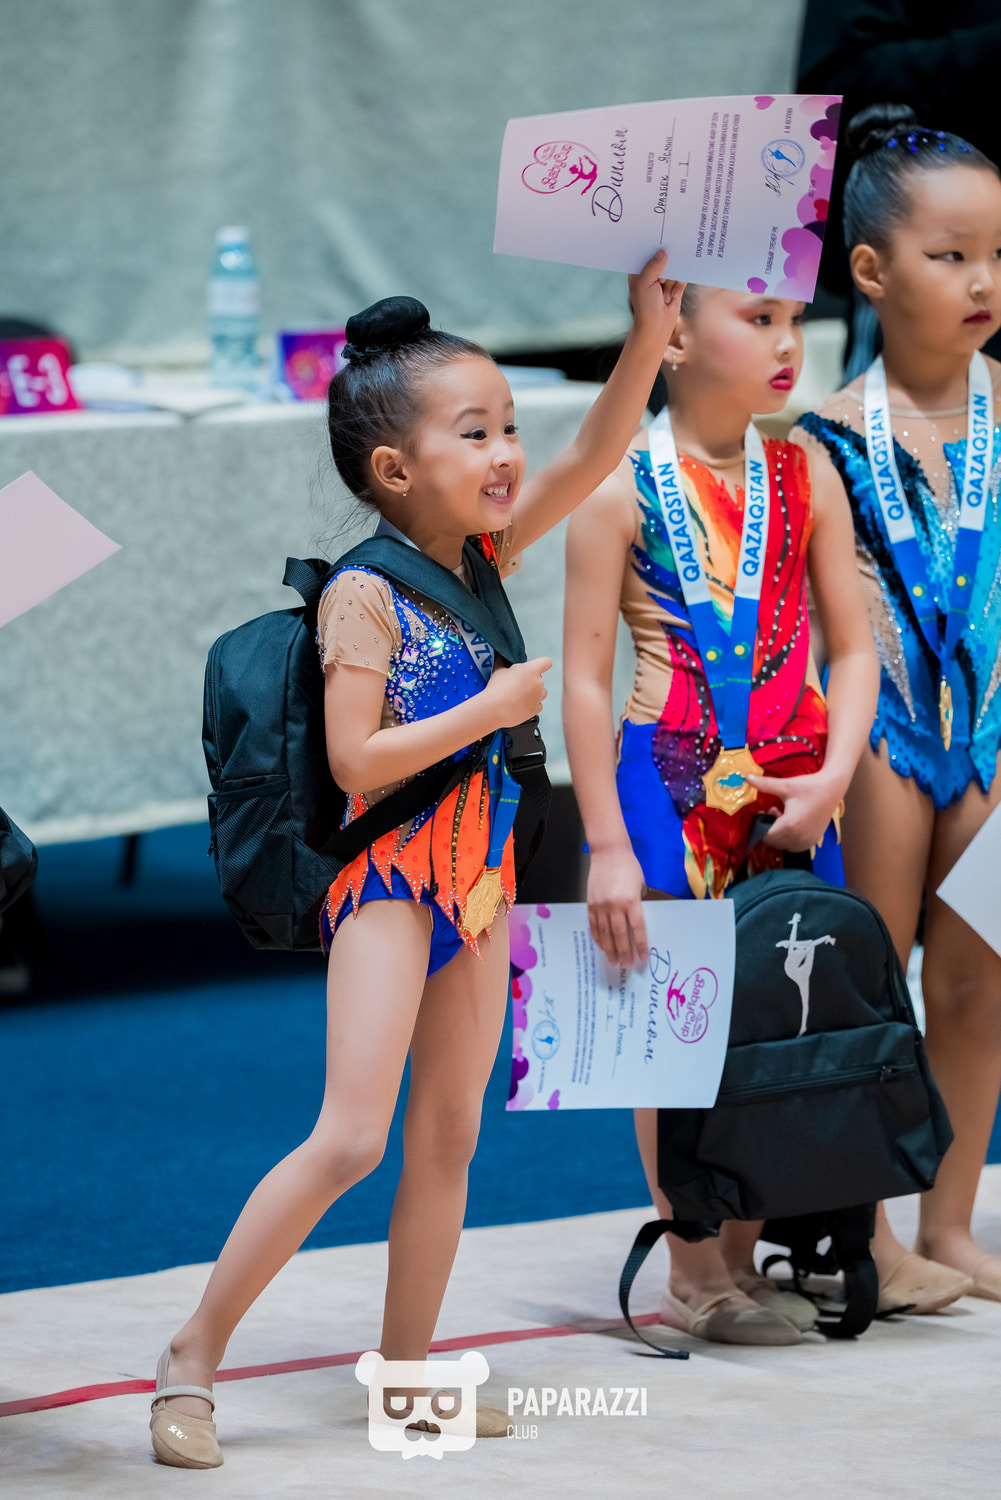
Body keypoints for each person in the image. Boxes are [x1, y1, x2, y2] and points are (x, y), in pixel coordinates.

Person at [148, 253, 684, 1468]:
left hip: (478, 883)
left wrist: (646, 337)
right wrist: (488, 711)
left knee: (448, 1134)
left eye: (506, 427)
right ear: (395, 470)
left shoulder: (481, 558)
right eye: (473, 433)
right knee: (351, 1136)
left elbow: (594, 452)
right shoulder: (364, 594)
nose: (506, 454)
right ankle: (190, 1353)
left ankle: (404, 1375)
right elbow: (354, 759)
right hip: (389, 882)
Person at [562, 284, 879, 1344]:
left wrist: (834, 776)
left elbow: (851, 648)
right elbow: (583, 680)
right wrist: (605, 842)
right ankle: (692, 1265)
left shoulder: (806, 472)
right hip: (667, 782)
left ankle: (743, 1251)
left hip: (794, 781)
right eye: (757, 318)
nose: (788, 341)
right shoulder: (618, 484)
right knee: (672, 1025)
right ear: (674, 337)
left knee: (774, 1020)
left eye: (792, 317)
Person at [794, 103, 1001, 1313]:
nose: (981, 281)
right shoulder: (823, 437)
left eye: (995, 255)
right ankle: (862, 1228)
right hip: (878, 729)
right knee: (867, 983)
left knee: (978, 981)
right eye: (949, 255)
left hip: (990, 728)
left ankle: (950, 1221)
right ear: (870, 272)